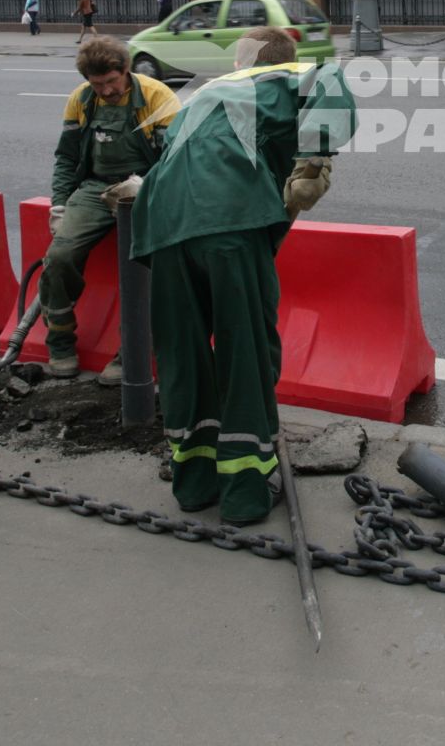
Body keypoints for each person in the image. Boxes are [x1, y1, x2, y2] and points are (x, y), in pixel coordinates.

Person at [127, 27, 356, 525]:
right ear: (276, 59)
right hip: (228, 224)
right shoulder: (290, 73)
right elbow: (333, 82)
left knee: (182, 357)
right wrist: (314, 162)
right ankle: (245, 492)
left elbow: (178, 152)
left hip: (162, 226)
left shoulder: (204, 92)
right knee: (244, 352)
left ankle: (193, 485)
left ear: (237, 62)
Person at [43, 36, 181, 383]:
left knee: (145, 267)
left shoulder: (157, 97)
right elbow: (67, 157)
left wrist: (144, 185)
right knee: (60, 256)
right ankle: (60, 341)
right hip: (95, 187)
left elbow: (176, 159)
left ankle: (129, 352)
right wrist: (59, 204)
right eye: (97, 83)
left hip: (146, 189)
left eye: (112, 82)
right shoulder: (81, 100)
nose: (105, 91)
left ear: (125, 70)